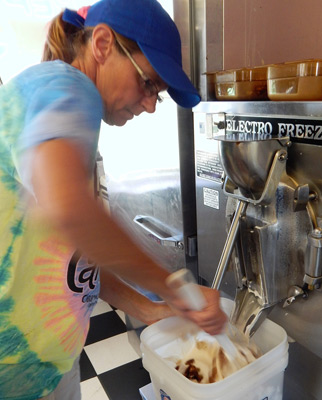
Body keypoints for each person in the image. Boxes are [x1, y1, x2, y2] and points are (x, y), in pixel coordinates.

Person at [0, 0, 227, 398]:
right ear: (102, 44)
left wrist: (151, 309)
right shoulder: (68, 87)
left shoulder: (66, 116)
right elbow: (71, 211)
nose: (152, 104)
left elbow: (74, 256)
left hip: (48, 369)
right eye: (149, 83)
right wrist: (179, 290)